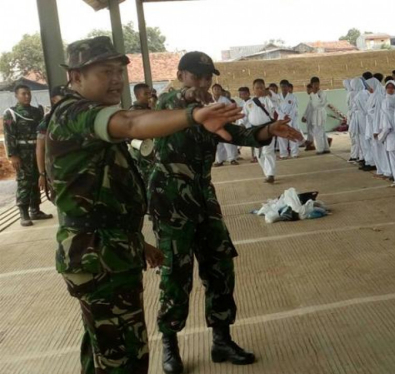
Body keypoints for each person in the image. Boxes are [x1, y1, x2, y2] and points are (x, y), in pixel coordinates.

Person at [46, 36, 245, 374]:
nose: (116, 79)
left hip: (107, 250)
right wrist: (194, 115)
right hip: (99, 257)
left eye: (119, 71)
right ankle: (171, 343)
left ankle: (221, 338)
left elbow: (100, 199)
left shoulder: (87, 120)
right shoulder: (75, 114)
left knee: (100, 350)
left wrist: (138, 243)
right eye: (105, 71)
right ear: (75, 76)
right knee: (125, 359)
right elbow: (134, 123)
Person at [148, 52, 301, 374]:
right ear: (180, 75)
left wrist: (270, 129)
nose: (204, 84)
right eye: (197, 77)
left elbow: (241, 135)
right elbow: (178, 101)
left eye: (208, 78)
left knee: (220, 267)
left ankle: (221, 339)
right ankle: (170, 344)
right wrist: (192, 98)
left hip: (204, 198)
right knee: (176, 273)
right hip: (171, 200)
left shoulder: (212, 113)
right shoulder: (166, 106)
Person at [3, 84, 51, 226]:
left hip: (37, 150)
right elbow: (9, 136)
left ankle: (35, 210)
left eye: (28, 93)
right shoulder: (11, 113)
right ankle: (23, 213)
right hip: (22, 152)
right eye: (23, 94)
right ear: (16, 96)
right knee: (24, 182)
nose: (27, 96)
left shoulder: (37, 112)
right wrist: (13, 155)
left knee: (37, 179)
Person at [244, 79, 280, 183]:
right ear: (253, 89)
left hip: (267, 128)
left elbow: (276, 101)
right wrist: (241, 124)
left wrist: (270, 93)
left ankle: (270, 174)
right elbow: (244, 116)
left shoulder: (267, 99)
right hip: (255, 130)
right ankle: (267, 173)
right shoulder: (249, 103)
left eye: (261, 87)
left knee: (267, 151)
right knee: (259, 154)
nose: (259, 90)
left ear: (265, 88)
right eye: (257, 88)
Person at [36, 85, 66, 199]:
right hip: (57, 171)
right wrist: (42, 174)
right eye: (62, 98)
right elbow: (40, 148)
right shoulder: (48, 120)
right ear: (54, 100)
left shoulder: (77, 116)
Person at [277, 80, 301, 159]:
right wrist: (283, 115)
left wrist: (288, 116)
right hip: (281, 119)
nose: (283, 88)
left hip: (291, 119)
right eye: (282, 86)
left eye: (285, 86)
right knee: (282, 137)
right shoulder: (278, 97)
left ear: (288, 87)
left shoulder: (293, 97)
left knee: (292, 135)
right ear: (280, 87)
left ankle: (294, 153)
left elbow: (294, 108)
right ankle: (283, 154)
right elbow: (277, 108)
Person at [308, 77, 330, 154]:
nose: (316, 86)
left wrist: (316, 95)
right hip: (315, 114)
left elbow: (322, 103)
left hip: (320, 113)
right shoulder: (311, 94)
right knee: (321, 132)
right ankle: (326, 148)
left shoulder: (322, 93)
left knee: (318, 132)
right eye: (314, 84)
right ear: (311, 85)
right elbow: (311, 105)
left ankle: (320, 149)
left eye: (317, 84)